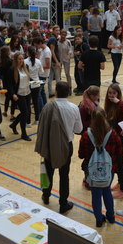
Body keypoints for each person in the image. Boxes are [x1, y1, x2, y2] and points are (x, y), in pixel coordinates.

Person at [35, 81, 82, 214]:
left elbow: (41, 129)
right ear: (68, 93)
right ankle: (63, 203)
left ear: (56, 92)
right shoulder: (74, 108)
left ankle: (46, 195)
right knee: (64, 175)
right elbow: (79, 129)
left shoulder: (47, 107)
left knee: (48, 171)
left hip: (50, 144)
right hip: (66, 145)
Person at [78, 108, 122, 227]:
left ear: (92, 119)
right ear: (105, 117)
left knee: (96, 194)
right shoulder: (112, 134)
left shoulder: (87, 135)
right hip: (109, 169)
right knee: (107, 190)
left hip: (92, 170)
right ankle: (111, 216)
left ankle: (98, 219)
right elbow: (119, 152)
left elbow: (80, 154)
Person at [104, 84, 123, 199]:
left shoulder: (120, 105)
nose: (111, 95)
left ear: (118, 94)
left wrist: (118, 101)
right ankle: (120, 183)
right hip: (111, 139)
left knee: (120, 164)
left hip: (118, 140)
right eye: (110, 93)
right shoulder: (109, 106)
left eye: (114, 93)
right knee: (115, 162)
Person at [8, 52, 32, 142]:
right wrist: (13, 94)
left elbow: (28, 79)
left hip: (27, 92)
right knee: (25, 113)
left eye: (22, 59)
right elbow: (9, 84)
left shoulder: (26, 67)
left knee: (25, 112)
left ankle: (14, 125)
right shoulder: (12, 69)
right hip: (19, 94)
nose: (21, 60)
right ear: (15, 60)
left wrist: (36, 81)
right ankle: (24, 133)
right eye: (19, 59)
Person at [24, 46, 43, 126]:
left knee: (28, 103)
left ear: (27, 53)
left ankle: (28, 122)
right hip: (36, 84)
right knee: (36, 102)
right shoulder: (38, 61)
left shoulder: (24, 61)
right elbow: (41, 72)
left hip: (28, 84)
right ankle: (37, 119)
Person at [57, 29, 72, 93]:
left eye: (65, 35)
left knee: (67, 74)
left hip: (66, 59)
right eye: (62, 34)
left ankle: (70, 87)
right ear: (60, 34)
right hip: (59, 60)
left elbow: (70, 49)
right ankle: (59, 88)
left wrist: (69, 54)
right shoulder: (57, 41)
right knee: (58, 74)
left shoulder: (68, 42)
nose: (63, 36)